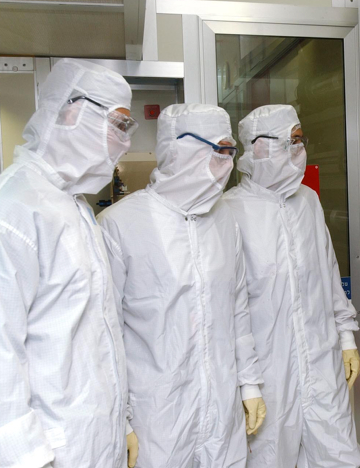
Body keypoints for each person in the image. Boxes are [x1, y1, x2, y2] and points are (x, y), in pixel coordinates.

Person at [0, 59, 139, 468]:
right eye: (119, 125)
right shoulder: (9, 210)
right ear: (72, 111)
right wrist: (26, 459)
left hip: (93, 441)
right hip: (48, 453)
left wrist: (120, 424)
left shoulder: (73, 207)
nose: (125, 142)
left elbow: (95, 333)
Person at [98, 104, 266, 468]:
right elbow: (104, 334)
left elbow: (237, 310)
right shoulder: (119, 225)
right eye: (217, 151)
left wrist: (249, 385)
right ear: (180, 148)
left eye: (229, 152)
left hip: (222, 410)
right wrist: (121, 418)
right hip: (156, 416)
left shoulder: (224, 220)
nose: (225, 163)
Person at [222, 104, 360, 467]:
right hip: (269, 372)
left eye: (300, 142)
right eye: (291, 142)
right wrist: (246, 383)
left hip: (321, 360)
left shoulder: (308, 201)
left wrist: (346, 337)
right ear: (258, 149)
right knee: (272, 458)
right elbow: (229, 310)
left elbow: (327, 270)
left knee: (340, 456)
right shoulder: (228, 212)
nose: (299, 152)